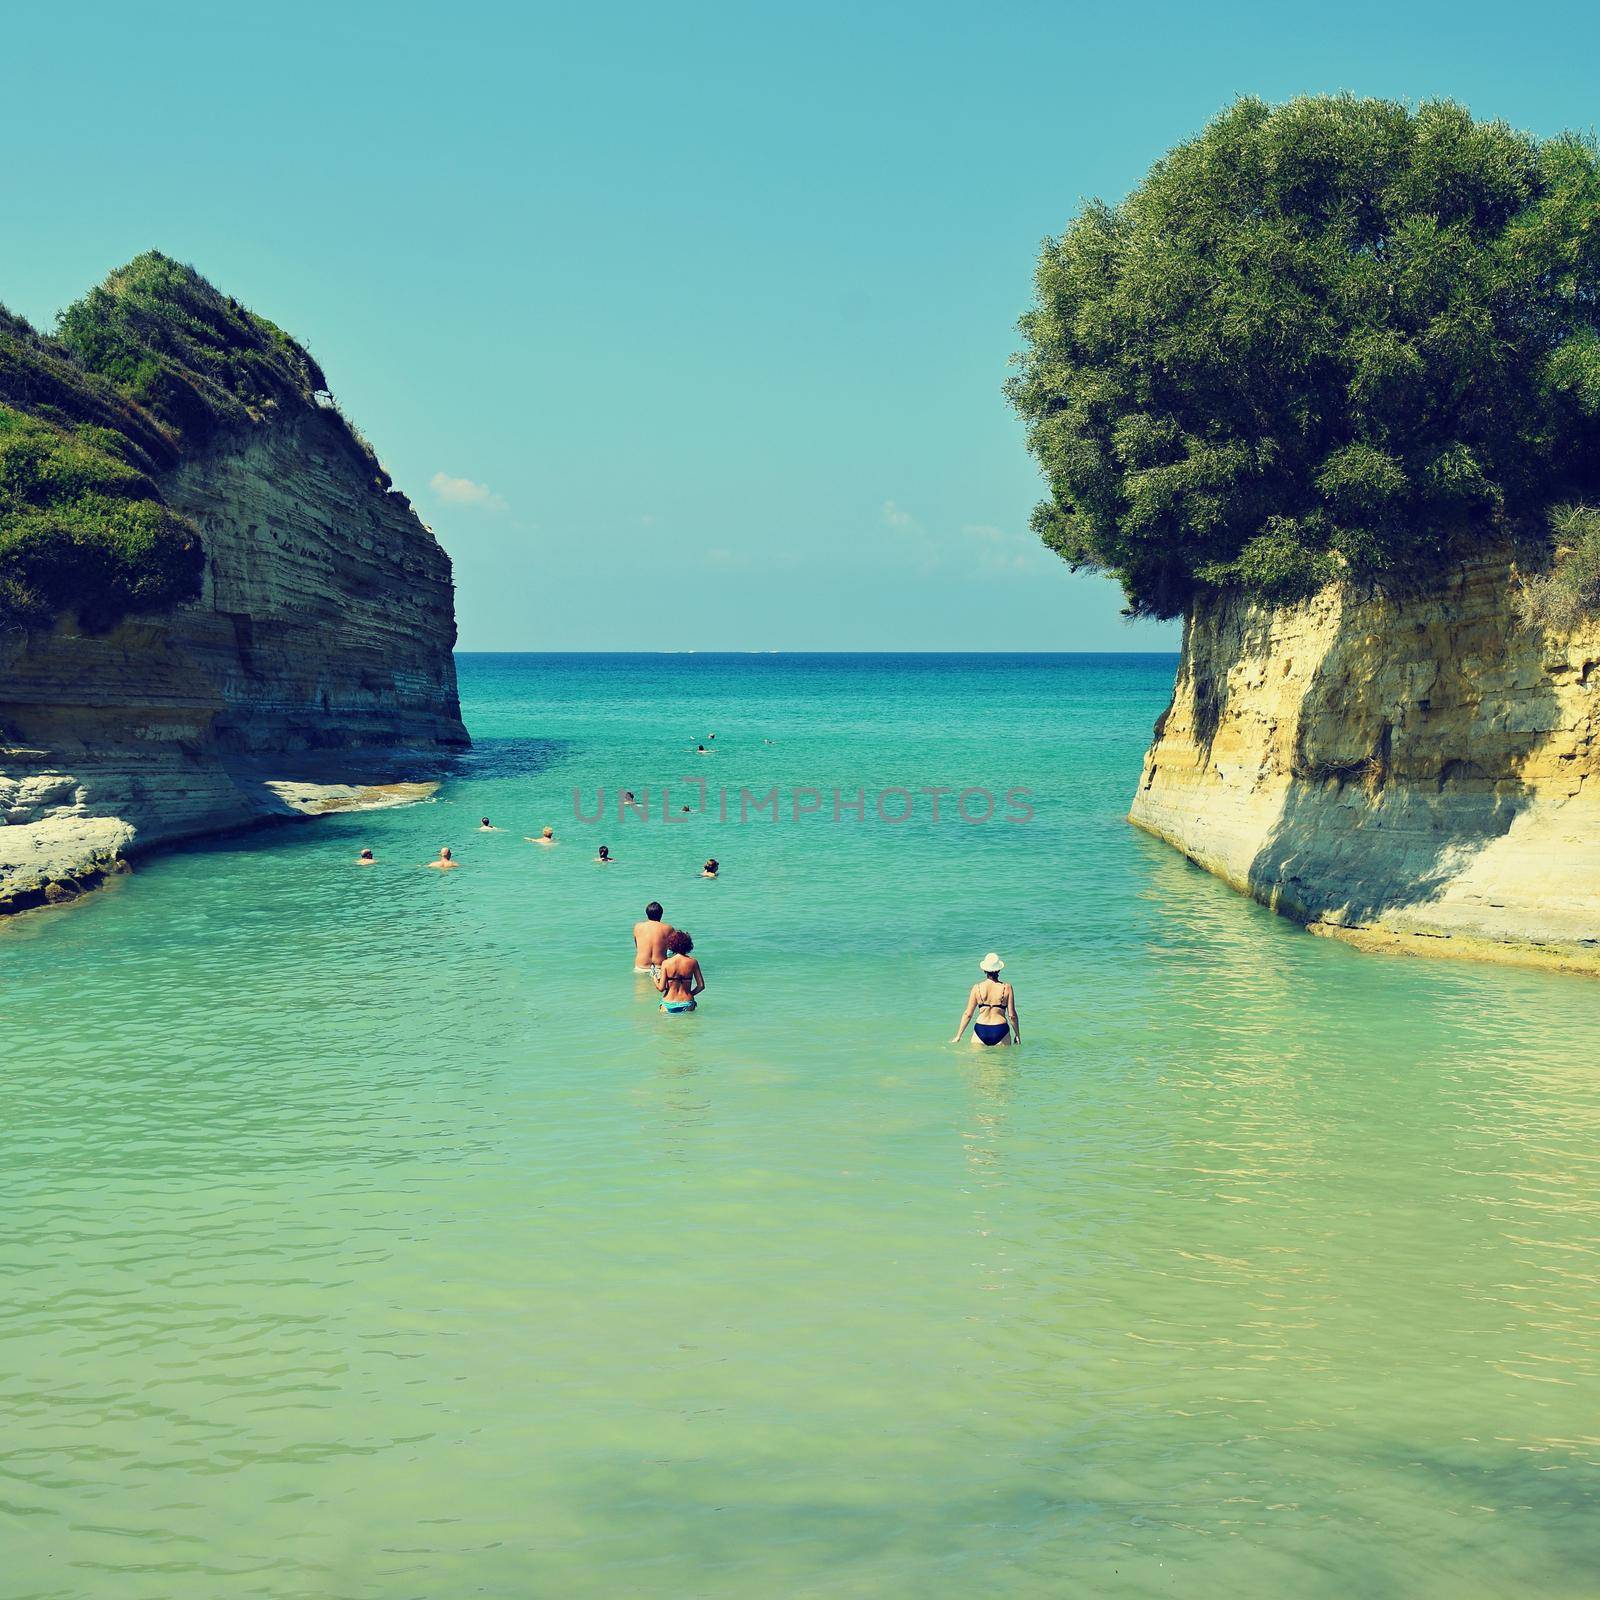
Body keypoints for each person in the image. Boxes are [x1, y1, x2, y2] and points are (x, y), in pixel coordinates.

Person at [950, 954, 1019, 1047]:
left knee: (979, 1061)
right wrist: (1017, 1035)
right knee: (1002, 1061)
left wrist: (958, 1036)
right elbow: (1012, 1015)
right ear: (999, 969)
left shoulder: (976, 988)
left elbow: (968, 1014)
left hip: (980, 1029)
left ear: (984, 970)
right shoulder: (1007, 988)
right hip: (1000, 1029)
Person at [654, 928, 704, 1013]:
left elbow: (661, 988)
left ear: (672, 945)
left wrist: (655, 978)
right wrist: (690, 994)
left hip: (668, 1003)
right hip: (687, 1002)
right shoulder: (693, 962)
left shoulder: (666, 963)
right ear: (688, 945)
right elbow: (701, 986)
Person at [632, 901, 676, 973]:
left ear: (647, 914)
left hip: (641, 966)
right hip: (660, 966)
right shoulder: (668, 928)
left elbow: (637, 946)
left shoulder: (637, 927)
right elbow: (673, 949)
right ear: (661, 914)